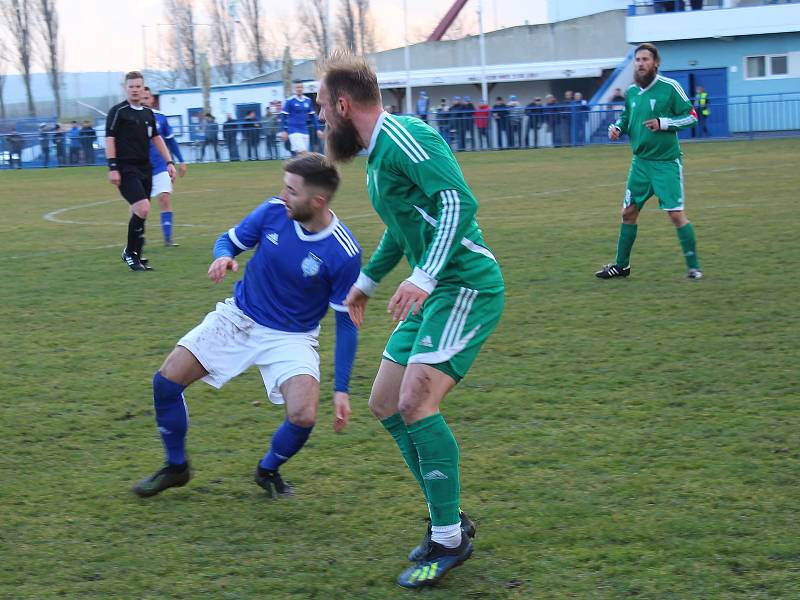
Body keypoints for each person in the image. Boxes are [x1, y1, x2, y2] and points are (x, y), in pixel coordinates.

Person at [317, 51, 505, 589]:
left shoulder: (402, 138)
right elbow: (404, 228)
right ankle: (447, 515)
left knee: (417, 403)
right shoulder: (379, 157)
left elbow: (456, 202)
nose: (322, 116)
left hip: (465, 284)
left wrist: (423, 276)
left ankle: (448, 535)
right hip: (435, 287)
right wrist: (368, 282)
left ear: (345, 103)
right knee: (384, 402)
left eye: (324, 106)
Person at [131, 153, 362, 501]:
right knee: (166, 381)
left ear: (317, 201)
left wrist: (341, 388)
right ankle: (176, 466)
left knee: (303, 415)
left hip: (292, 337)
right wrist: (223, 256)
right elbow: (229, 240)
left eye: (291, 191)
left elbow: (346, 324)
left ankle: (267, 469)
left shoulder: (343, 252)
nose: (282, 195)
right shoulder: (273, 211)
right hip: (239, 317)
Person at [599, 42, 703, 281]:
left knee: (676, 215)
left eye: (646, 59)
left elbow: (692, 117)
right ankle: (621, 266)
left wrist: (663, 123)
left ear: (656, 63)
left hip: (666, 163)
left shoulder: (669, 87)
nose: (641, 64)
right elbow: (626, 119)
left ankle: (694, 267)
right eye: (637, 60)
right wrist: (616, 128)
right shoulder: (632, 92)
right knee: (628, 213)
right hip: (640, 164)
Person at [105, 71, 176, 271]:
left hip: (146, 168)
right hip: (125, 168)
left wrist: (169, 162)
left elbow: (156, 138)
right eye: (131, 86)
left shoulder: (147, 113)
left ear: (143, 88)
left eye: (139, 86)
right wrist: (112, 167)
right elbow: (109, 139)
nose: (135, 90)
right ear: (125, 88)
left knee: (142, 212)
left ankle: (136, 254)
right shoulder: (118, 112)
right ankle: (130, 252)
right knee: (143, 208)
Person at [142, 86, 187, 247]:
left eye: (147, 97)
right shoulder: (132, 118)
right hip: (141, 168)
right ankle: (138, 235)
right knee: (141, 206)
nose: (144, 100)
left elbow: (171, 141)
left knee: (165, 199)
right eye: (142, 97)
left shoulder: (161, 118)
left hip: (161, 166)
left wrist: (180, 160)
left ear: (152, 99)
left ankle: (168, 239)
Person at [281, 81, 322, 156]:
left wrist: (318, 129)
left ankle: (293, 167)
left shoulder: (308, 101)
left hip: (304, 130)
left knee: (299, 155)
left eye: (300, 87)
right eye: (297, 87)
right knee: (303, 153)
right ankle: (310, 166)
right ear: (294, 89)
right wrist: (284, 131)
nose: (299, 89)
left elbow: (313, 116)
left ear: (303, 88)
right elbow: (283, 116)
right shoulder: (290, 101)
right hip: (294, 131)